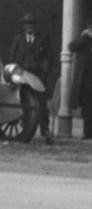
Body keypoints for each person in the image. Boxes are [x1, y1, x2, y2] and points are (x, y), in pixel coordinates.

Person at [9, 12, 54, 144]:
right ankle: (26, 128)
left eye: (31, 24)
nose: (29, 26)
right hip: (22, 76)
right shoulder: (19, 39)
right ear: (24, 26)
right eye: (27, 24)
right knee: (23, 101)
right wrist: (17, 70)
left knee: (41, 103)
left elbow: (50, 57)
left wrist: (45, 73)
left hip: (38, 75)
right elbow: (12, 56)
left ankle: (45, 130)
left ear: (35, 26)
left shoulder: (42, 39)